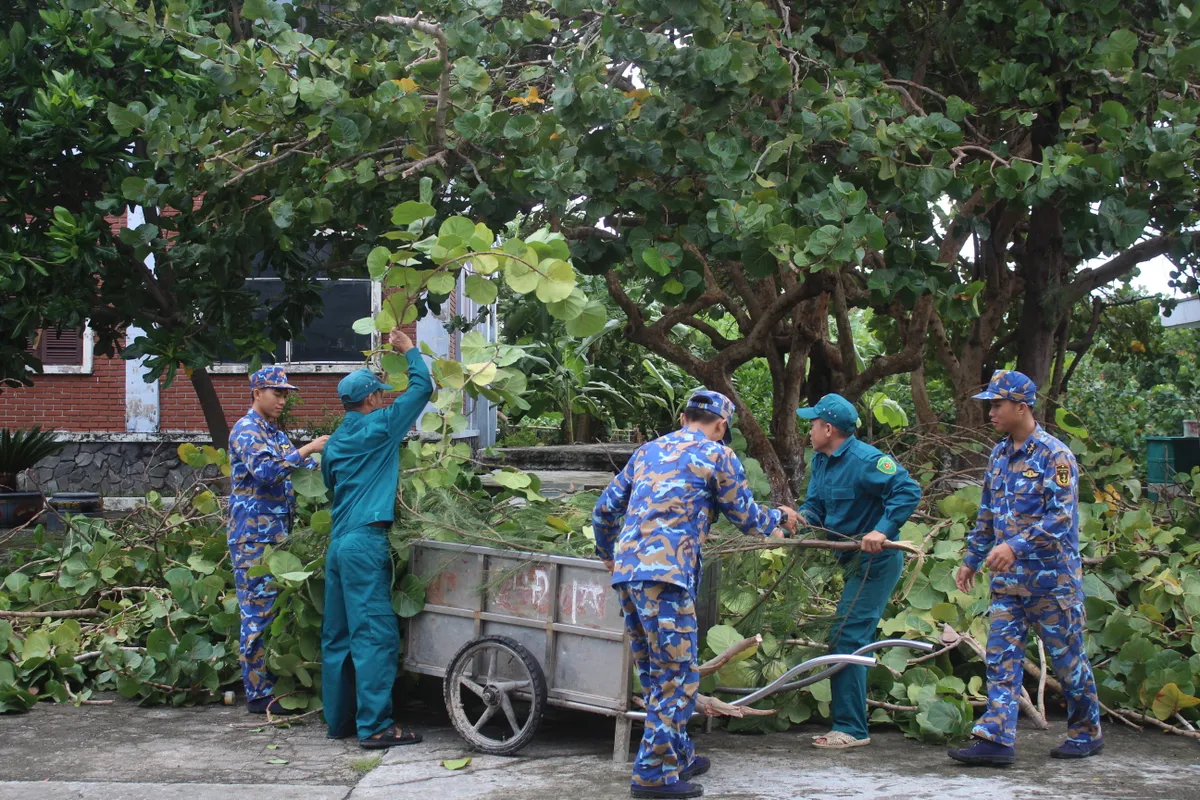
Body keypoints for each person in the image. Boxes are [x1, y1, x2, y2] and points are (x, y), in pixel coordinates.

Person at [592, 390, 799, 800]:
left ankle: (678, 755)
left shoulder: (647, 451)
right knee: (677, 677)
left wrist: (608, 556)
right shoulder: (718, 455)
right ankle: (653, 776)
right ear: (722, 426)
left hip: (630, 577)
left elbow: (604, 510)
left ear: (684, 416)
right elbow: (745, 516)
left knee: (656, 673)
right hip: (667, 579)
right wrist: (780, 518)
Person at [947, 370, 1103, 766]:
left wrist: (1015, 546)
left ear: (1021, 406)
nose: (991, 413)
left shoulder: (1057, 456)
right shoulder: (999, 454)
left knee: (1068, 662)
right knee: (1000, 659)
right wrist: (970, 560)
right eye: (990, 405)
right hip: (1007, 585)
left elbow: (1060, 518)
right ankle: (996, 739)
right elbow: (987, 514)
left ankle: (1087, 731)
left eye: (997, 405)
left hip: (1052, 585)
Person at [320, 327, 433, 749]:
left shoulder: (332, 446)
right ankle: (376, 726)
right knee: (374, 635)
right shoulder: (382, 426)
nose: (386, 398)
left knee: (338, 635)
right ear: (370, 400)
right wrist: (409, 351)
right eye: (382, 394)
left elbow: (333, 488)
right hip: (365, 542)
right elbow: (422, 389)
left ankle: (340, 721)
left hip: (339, 542)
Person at [793, 393, 922, 749]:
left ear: (829, 428)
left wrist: (882, 529)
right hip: (850, 561)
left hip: (876, 563)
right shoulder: (822, 460)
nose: (809, 429)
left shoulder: (867, 460)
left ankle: (851, 729)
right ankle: (849, 722)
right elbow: (817, 507)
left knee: (848, 636)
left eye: (814, 423)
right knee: (847, 636)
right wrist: (792, 525)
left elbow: (908, 490)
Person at [227, 366, 329, 715]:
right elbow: (268, 472)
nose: (283, 399)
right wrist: (308, 448)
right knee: (256, 613)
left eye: (286, 394)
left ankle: (273, 686)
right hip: (251, 540)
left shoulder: (274, 433)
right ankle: (258, 695)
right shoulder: (246, 430)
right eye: (277, 392)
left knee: (272, 613)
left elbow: (307, 473)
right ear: (257, 393)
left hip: (277, 538)